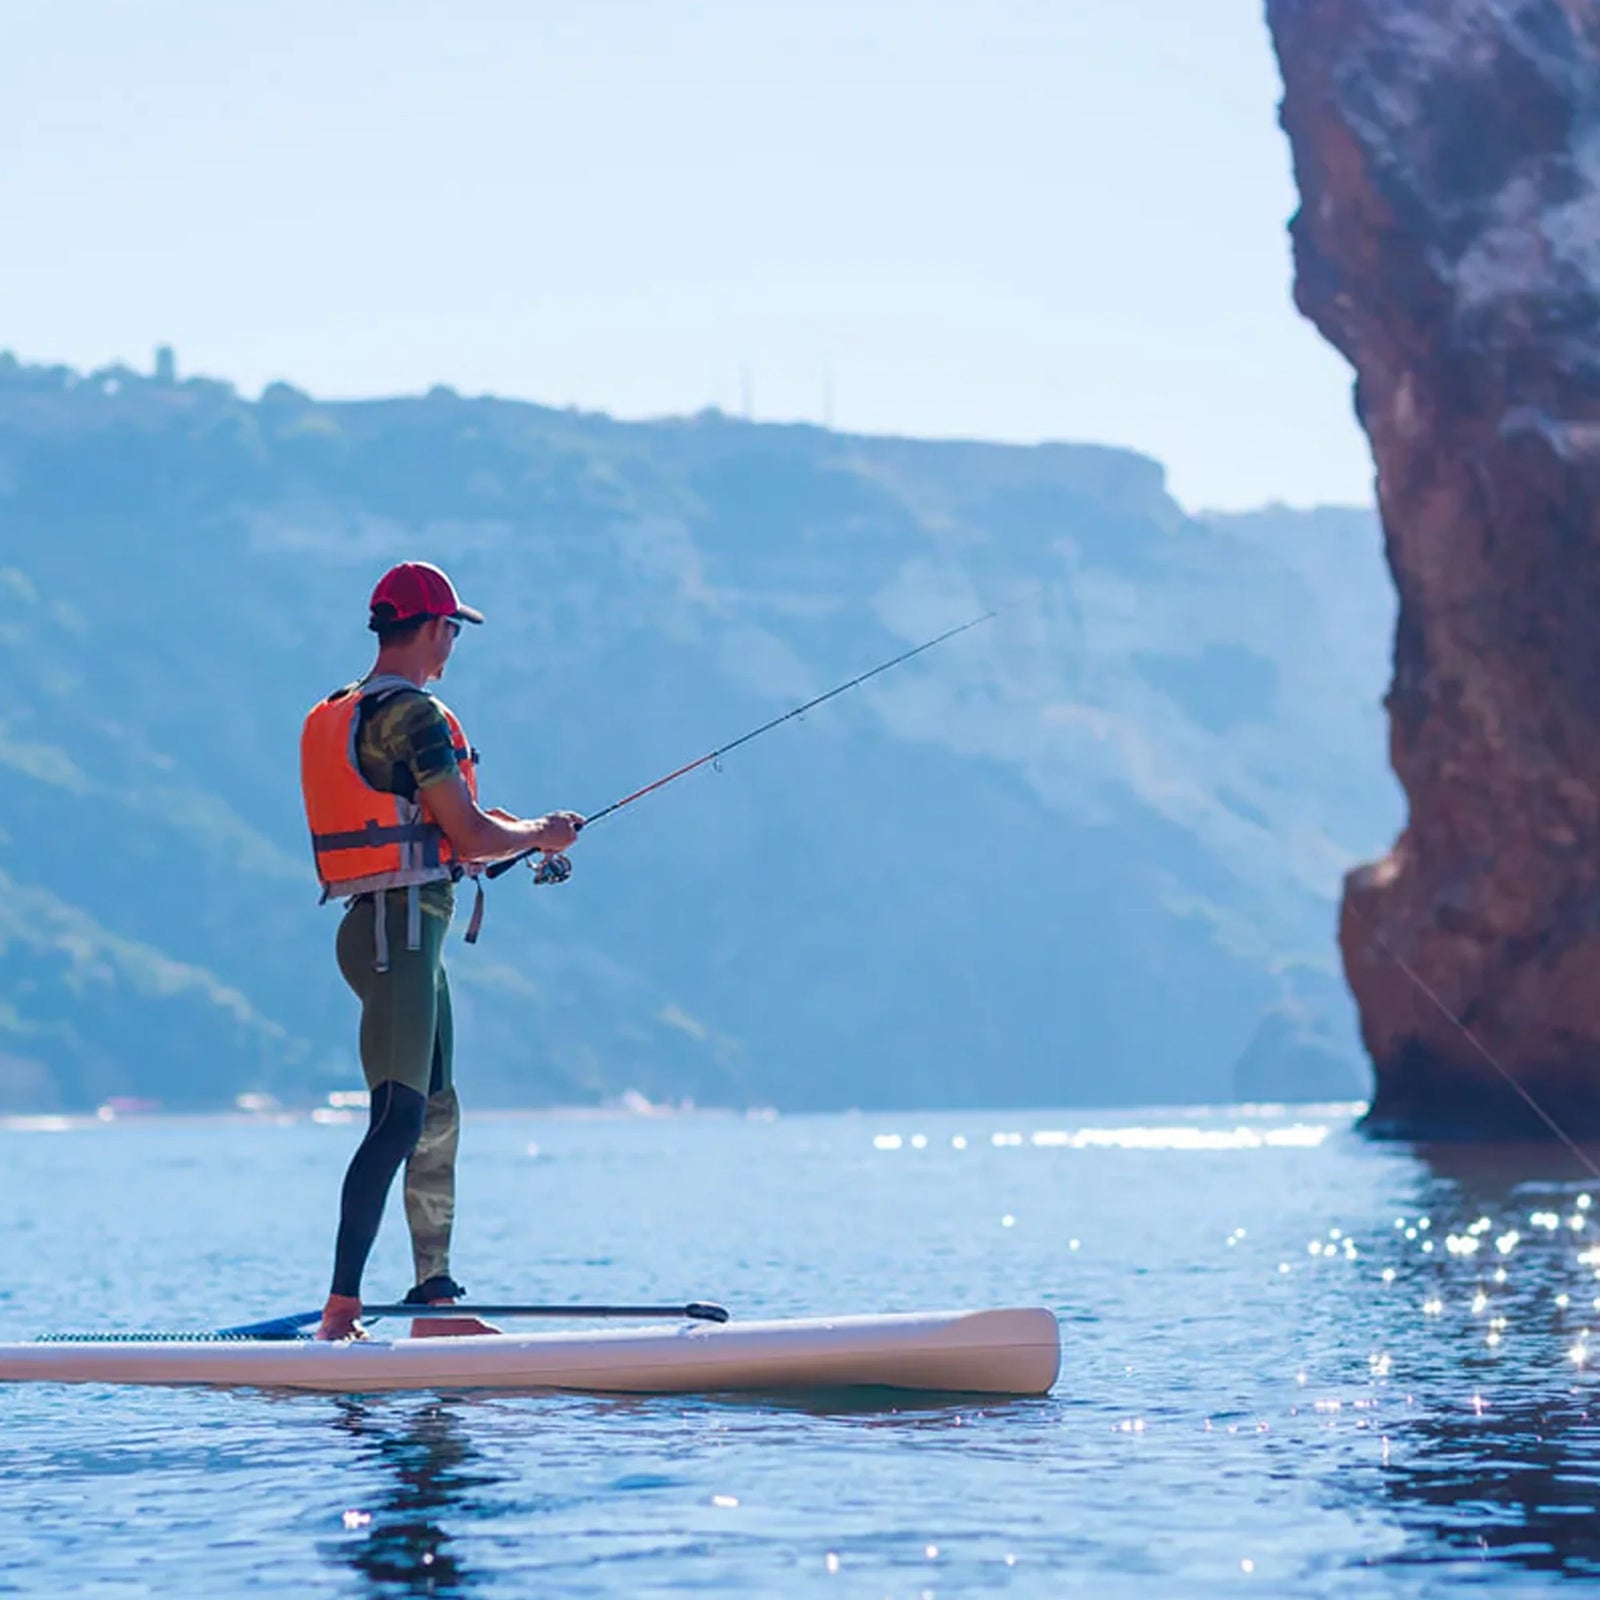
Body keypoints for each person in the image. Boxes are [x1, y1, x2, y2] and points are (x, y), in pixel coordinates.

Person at [300, 561, 582, 1341]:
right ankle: (341, 1311)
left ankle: (434, 1301)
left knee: (434, 1113)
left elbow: (451, 839)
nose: (454, 642)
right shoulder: (415, 715)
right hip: (400, 930)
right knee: (397, 1118)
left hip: (398, 924)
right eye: (453, 628)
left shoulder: (356, 711)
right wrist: (539, 834)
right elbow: (468, 835)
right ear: (430, 629)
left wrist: (512, 836)